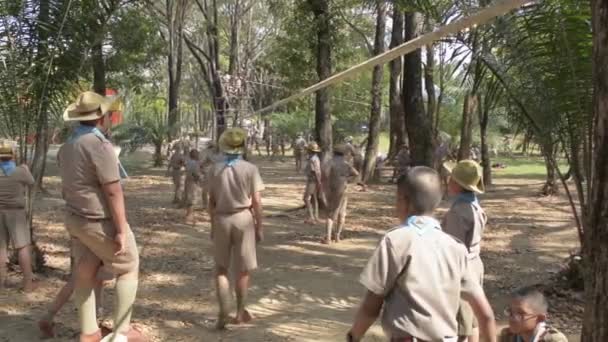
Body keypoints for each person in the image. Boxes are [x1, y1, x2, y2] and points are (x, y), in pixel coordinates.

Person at [347, 167, 497, 342]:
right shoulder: (455, 248)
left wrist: (353, 337)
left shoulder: (395, 241)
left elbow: (371, 306)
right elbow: (485, 315)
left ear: (404, 201)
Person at [57, 91, 143, 341]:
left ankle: (89, 331)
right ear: (101, 116)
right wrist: (120, 229)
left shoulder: (68, 146)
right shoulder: (99, 145)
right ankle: (121, 332)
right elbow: (113, 191)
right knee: (128, 266)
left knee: (85, 272)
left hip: (76, 219)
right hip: (99, 221)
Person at [208, 128, 264, 330]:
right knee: (242, 270)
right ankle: (240, 313)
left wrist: (212, 225)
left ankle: (224, 308)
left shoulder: (214, 169)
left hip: (222, 218)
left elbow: (211, 202)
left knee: (221, 268)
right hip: (244, 219)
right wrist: (259, 226)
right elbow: (257, 202)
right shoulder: (250, 169)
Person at [442, 160, 488, 342]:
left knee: (461, 323)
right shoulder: (474, 206)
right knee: (471, 320)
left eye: (450, 179)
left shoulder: (459, 212)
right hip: (474, 265)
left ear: (457, 184)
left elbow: (454, 246)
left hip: (460, 268)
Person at [0, 140, 37, 292]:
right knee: (22, 247)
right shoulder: (20, 171)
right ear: (12, 155)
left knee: (1, 248)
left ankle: (1, 284)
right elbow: (31, 182)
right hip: (16, 213)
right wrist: (25, 168)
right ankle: (28, 283)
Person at [499, 287, 568, 342]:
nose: (513, 318)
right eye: (510, 312)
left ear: (540, 318)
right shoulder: (507, 336)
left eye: (520, 313)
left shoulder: (554, 339)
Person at [323, 144, 359, 244]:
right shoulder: (346, 163)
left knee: (330, 213)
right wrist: (347, 179)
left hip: (333, 189)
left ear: (334, 152)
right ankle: (337, 236)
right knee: (342, 213)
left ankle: (328, 238)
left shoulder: (330, 162)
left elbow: (325, 174)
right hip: (344, 189)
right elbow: (356, 174)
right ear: (343, 154)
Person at [303, 142, 322, 224]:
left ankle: (312, 217)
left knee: (306, 198)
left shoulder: (312, 159)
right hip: (314, 180)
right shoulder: (314, 158)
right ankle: (315, 216)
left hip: (312, 181)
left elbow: (316, 172)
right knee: (314, 199)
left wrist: (319, 182)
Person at [184, 149, 203, 223]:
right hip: (193, 182)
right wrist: (200, 179)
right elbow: (196, 174)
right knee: (192, 200)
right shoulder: (195, 164)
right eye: (197, 154)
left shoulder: (188, 162)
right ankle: (188, 217)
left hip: (188, 181)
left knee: (189, 199)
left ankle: (190, 216)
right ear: (195, 155)